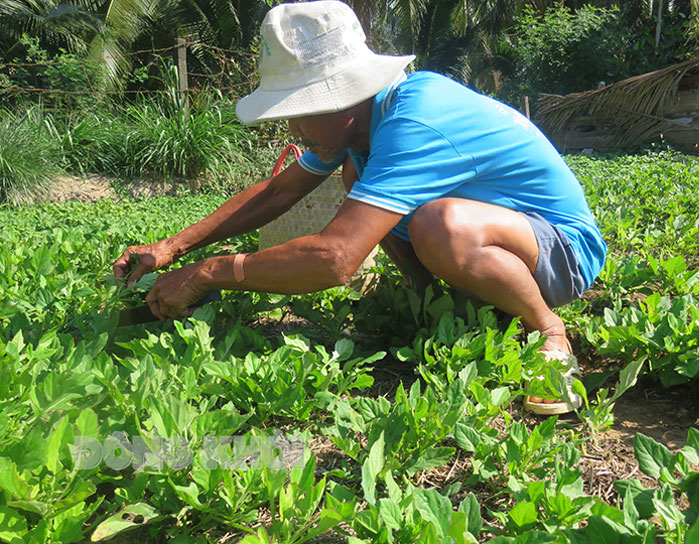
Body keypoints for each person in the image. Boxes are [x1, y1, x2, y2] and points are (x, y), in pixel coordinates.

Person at [112, 0, 606, 415]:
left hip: (559, 253)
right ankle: (438, 305)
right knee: (360, 181)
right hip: (506, 244)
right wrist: (172, 247)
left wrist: (210, 272)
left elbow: (335, 258)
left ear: (343, 100)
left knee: (442, 224)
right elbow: (279, 192)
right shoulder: (359, 128)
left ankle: (549, 331)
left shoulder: (417, 116)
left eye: (299, 115)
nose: (293, 131)